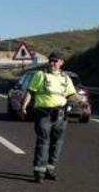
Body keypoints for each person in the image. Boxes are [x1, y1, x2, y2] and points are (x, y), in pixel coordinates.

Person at [20, 52, 77, 183]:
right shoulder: (40, 75)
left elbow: (72, 94)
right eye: (51, 60)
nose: (52, 63)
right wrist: (24, 106)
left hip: (61, 115)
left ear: (61, 62)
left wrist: (82, 103)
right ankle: (39, 172)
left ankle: (49, 170)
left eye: (55, 61)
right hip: (44, 114)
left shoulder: (65, 78)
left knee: (57, 143)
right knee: (43, 142)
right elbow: (30, 92)